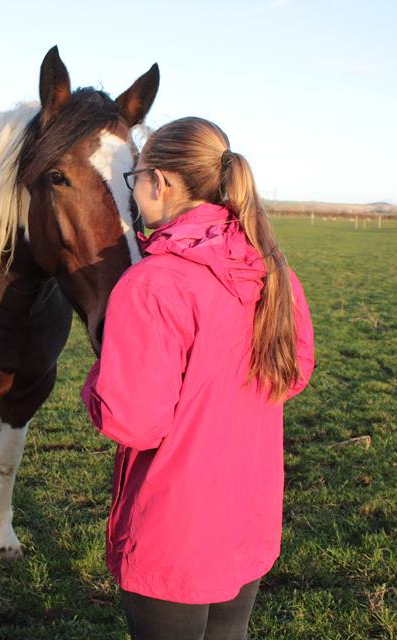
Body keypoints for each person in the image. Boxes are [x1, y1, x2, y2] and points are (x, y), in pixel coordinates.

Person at [80, 116, 316, 640]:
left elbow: (135, 421)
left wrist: (97, 381)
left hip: (174, 528)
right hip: (248, 511)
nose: (135, 189)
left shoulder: (152, 284)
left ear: (159, 183)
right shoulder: (273, 267)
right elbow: (293, 372)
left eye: (135, 177)